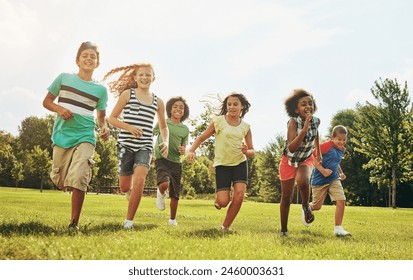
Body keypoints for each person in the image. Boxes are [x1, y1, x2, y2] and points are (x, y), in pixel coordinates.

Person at [42, 41, 109, 232]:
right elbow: (46, 101)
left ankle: (73, 223)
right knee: (60, 179)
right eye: (85, 55)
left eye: (93, 56)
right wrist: (59, 108)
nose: (89, 59)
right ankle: (60, 179)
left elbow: (101, 117)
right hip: (62, 135)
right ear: (77, 60)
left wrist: (104, 128)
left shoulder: (101, 90)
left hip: (86, 134)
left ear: (97, 63)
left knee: (80, 176)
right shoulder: (64, 78)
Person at [102, 63, 169, 230]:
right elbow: (112, 118)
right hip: (125, 145)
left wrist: (165, 141)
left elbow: (163, 126)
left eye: (148, 75)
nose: (145, 78)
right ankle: (127, 193)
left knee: (139, 180)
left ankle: (128, 222)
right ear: (135, 78)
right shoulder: (127, 94)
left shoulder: (158, 101)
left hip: (145, 146)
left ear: (153, 78)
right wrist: (129, 127)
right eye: (141, 75)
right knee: (125, 186)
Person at [187, 92, 255, 231]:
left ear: (242, 106)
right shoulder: (218, 121)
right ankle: (219, 198)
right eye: (229, 104)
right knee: (224, 202)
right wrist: (192, 150)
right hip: (222, 165)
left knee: (240, 194)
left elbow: (252, 151)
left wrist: (246, 151)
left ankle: (225, 226)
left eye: (235, 104)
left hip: (240, 163)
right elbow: (201, 138)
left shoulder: (246, 127)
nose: (231, 107)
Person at [278, 89, 321, 236]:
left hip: (306, 158)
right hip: (289, 160)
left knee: (303, 180)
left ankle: (305, 206)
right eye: (303, 104)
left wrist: (318, 151)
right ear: (296, 109)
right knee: (286, 197)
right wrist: (304, 129)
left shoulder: (316, 121)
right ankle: (284, 230)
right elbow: (292, 147)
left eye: (310, 103)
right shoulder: (293, 122)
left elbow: (316, 134)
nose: (308, 106)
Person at [153, 96, 190, 226]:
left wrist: (183, 150)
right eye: (175, 106)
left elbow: (184, 146)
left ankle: (172, 219)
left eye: (181, 107)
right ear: (170, 109)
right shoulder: (163, 122)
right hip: (162, 158)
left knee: (175, 194)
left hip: (176, 162)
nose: (178, 109)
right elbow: (152, 134)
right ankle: (161, 192)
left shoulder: (185, 129)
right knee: (164, 184)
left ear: (184, 111)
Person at [310, 125, 351, 236]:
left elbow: (335, 162)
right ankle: (307, 208)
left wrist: (341, 172)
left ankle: (338, 229)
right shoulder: (326, 146)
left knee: (341, 200)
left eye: (344, 140)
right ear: (332, 138)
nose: (342, 142)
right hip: (320, 180)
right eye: (339, 139)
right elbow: (311, 156)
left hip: (333, 179)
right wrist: (322, 170)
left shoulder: (342, 149)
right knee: (317, 206)